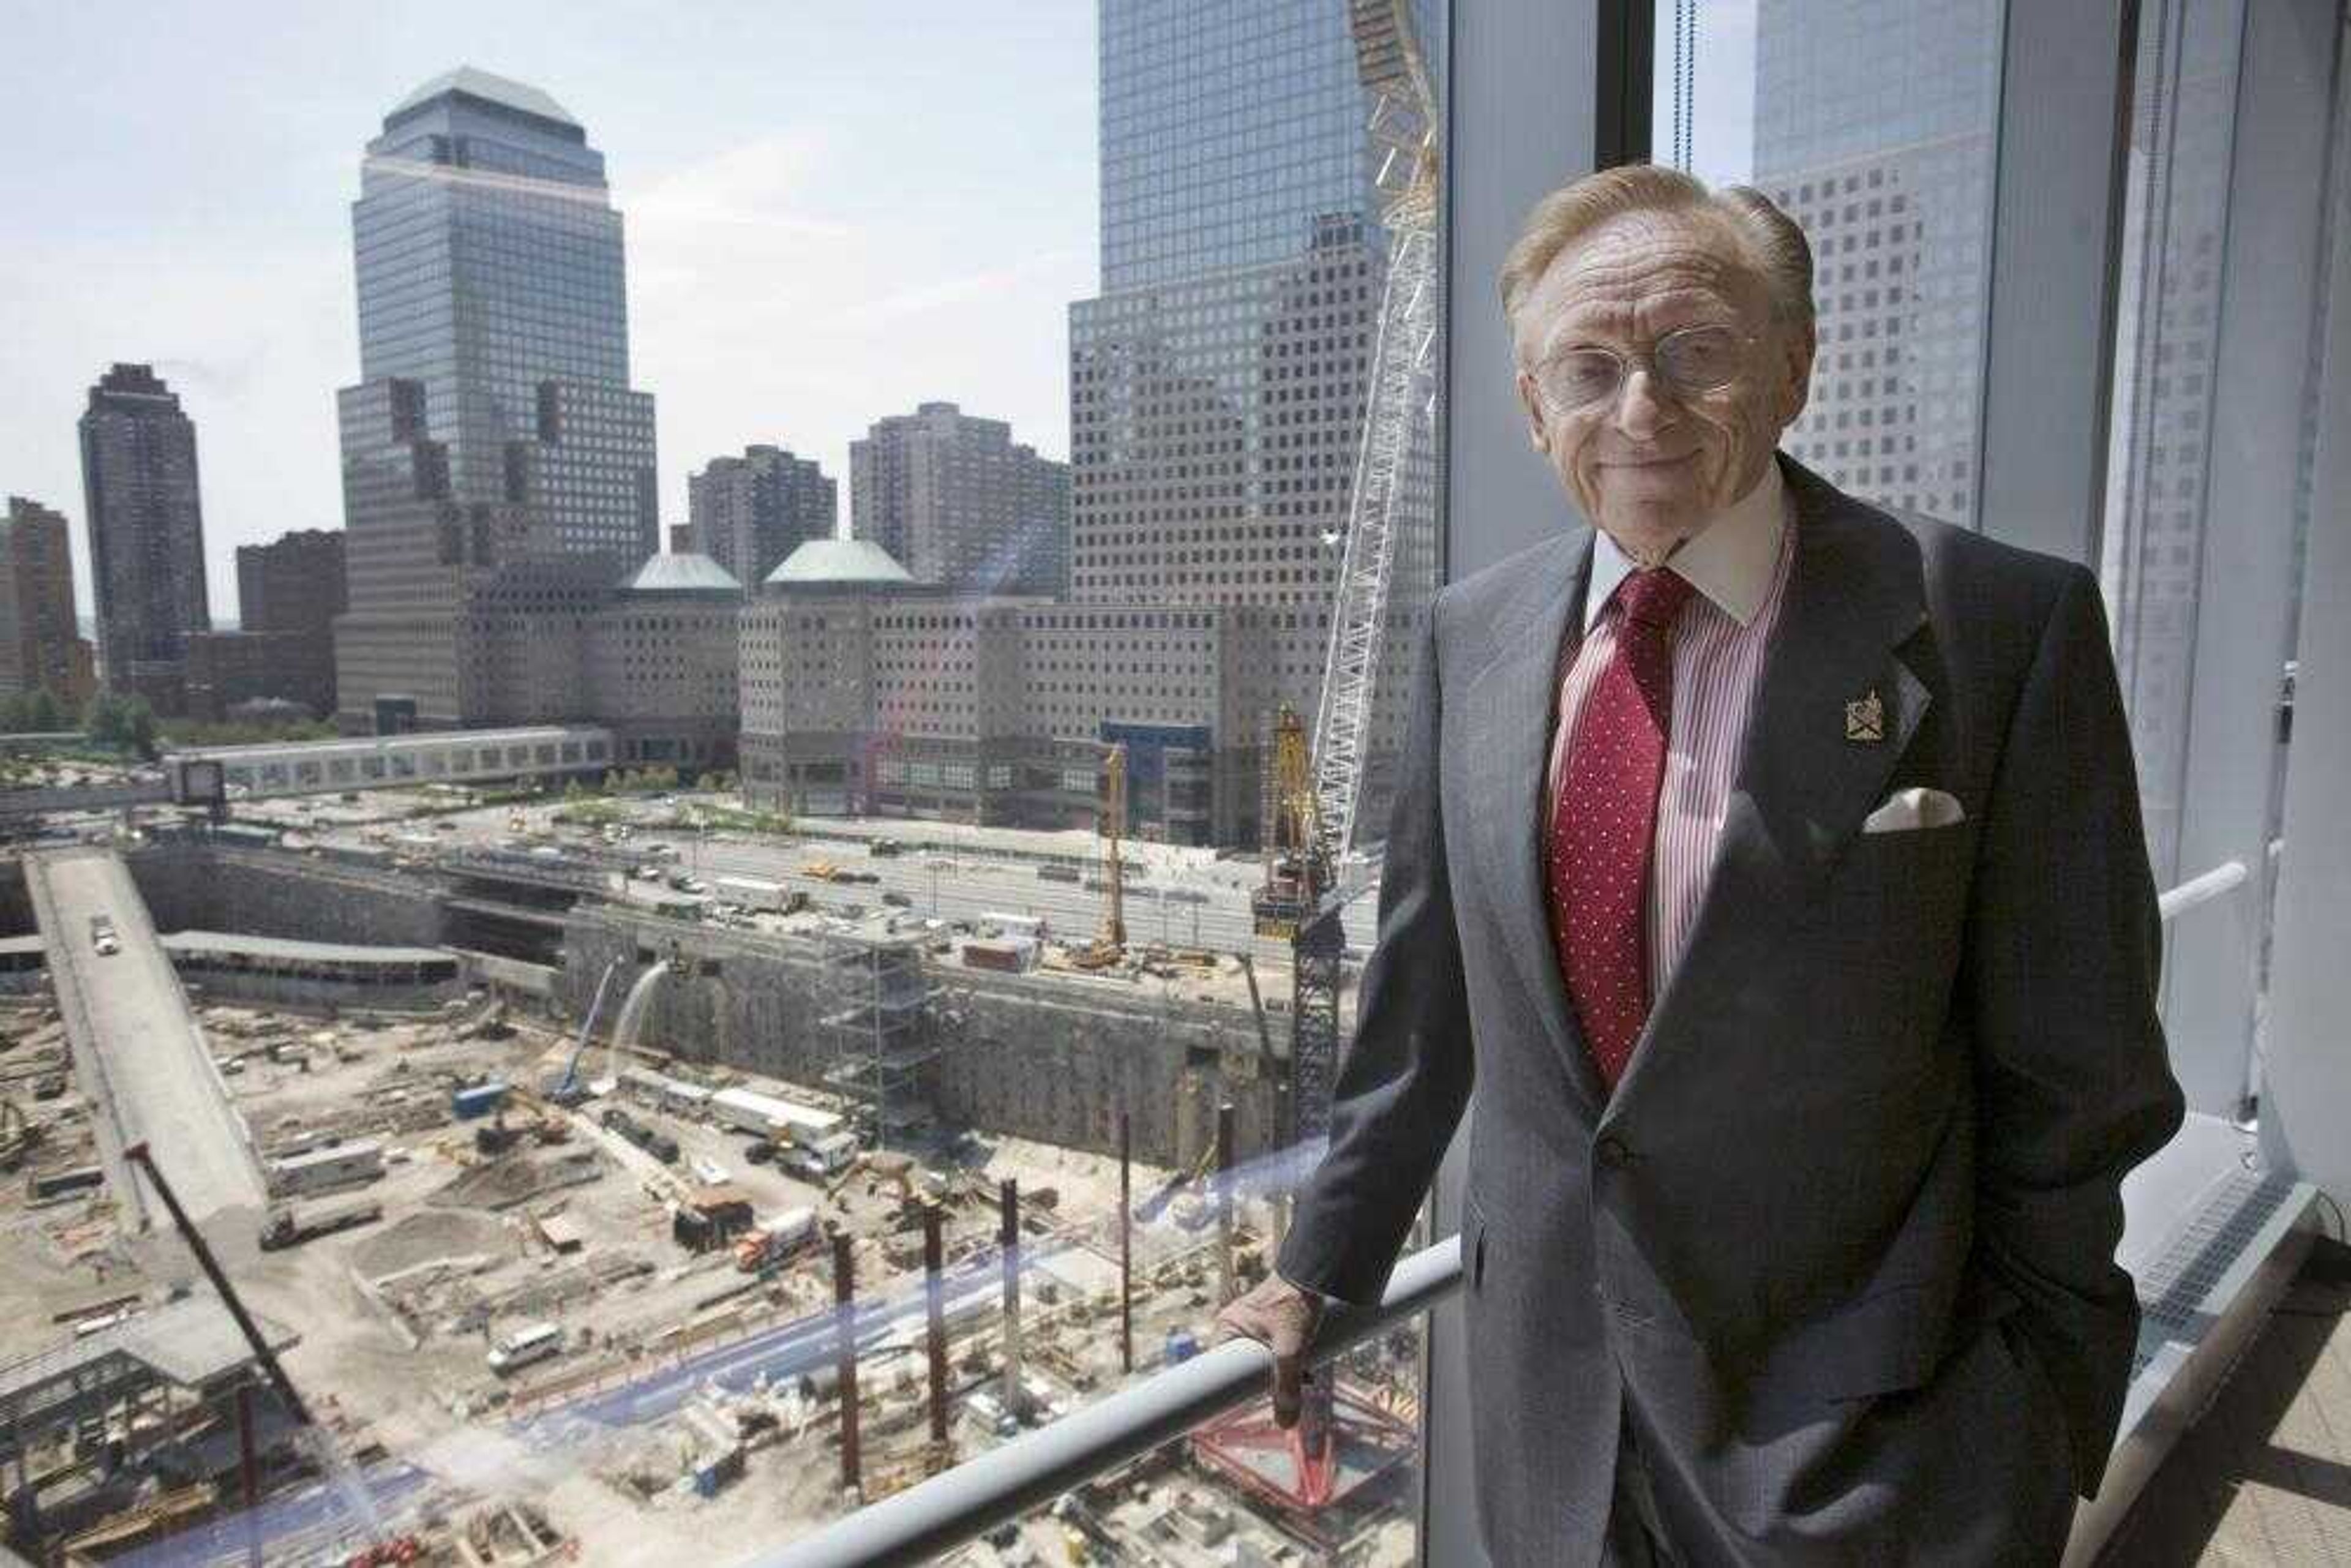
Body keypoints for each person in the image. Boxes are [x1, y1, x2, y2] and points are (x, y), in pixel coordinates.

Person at [1212, 164, 2185, 1566]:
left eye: (1697, 350)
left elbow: (2079, 1072)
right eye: (1590, 367)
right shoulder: (1469, 638)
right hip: (1554, 1426)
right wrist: (1320, 1266)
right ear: (1533, 406)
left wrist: (2028, 1425)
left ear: (1793, 369)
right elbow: (1426, 1011)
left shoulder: (1994, 628)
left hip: (1877, 1449)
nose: (1643, 409)